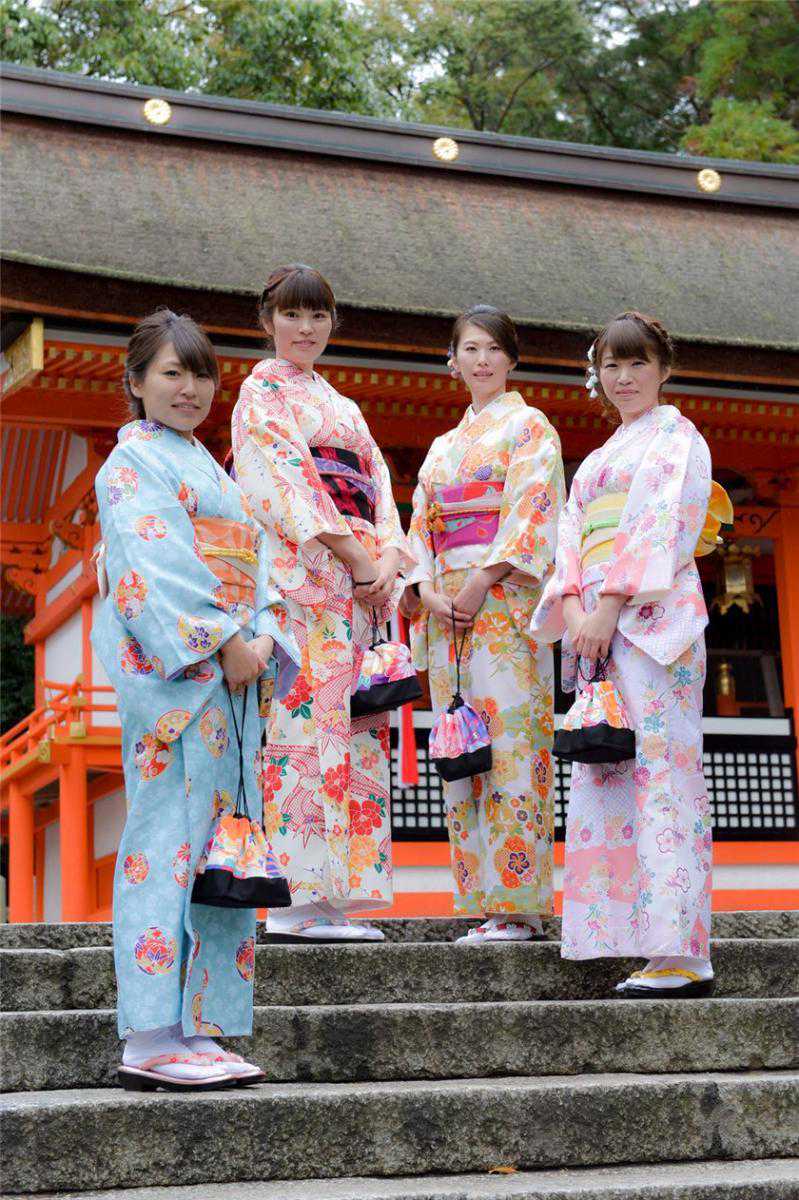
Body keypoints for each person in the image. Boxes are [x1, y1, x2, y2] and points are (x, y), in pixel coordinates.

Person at [93, 310, 298, 1090]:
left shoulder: (209, 469)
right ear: (136, 381)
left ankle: (198, 1025)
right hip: (183, 681)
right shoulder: (132, 465)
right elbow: (154, 569)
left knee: (219, 850)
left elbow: (257, 566)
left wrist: (263, 637)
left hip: (230, 679)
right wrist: (226, 640)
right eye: (171, 373)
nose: (189, 389)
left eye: (201, 374)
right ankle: (150, 1034)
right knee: (166, 844)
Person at [531, 310, 716, 997]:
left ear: (664, 369)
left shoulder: (678, 439)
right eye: (611, 365)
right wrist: (576, 608)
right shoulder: (597, 460)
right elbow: (570, 536)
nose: (624, 377)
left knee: (663, 778)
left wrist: (607, 606)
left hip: (654, 630)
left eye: (638, 363)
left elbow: (661, 525)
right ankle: (630, 940)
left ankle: (682, 953)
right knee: (606, 780)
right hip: (599, 635)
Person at [231, 264, 414, 942]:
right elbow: (285, 486)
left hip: (358, 592)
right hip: (304, 585)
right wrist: (358, 557)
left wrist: (389, 559)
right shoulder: (260, 393)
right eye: (291, 315)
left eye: (318, 316)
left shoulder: (344, 406)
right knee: (302, 732)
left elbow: (378, 487)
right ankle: (293, 902)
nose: (305, 328)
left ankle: (333, 899)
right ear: (267, 321)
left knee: (354, 734)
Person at [406, 305, 564, 942]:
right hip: (448, 613)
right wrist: (424, 589)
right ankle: (482, 900)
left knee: (510, 748)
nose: (481, 360)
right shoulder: (441, 448)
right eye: (469, 349)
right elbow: (420, 527)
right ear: (452, 362)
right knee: (461, 748)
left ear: (511, 360)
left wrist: (480, 579)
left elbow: (533, 511)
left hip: (502, 608)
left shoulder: (531, 428)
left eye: (494, 349)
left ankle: (519, 903)